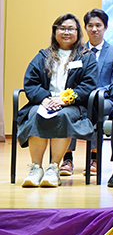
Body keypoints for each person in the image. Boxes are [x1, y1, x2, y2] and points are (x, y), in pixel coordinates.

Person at [19, 14, 98, 188]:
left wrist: (64, 100)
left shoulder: (86, 57)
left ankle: (54, 168)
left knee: (62, 116)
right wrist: (45, 98)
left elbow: (88, 85)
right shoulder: (43, 56)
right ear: (55, 31)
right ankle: (36, 168)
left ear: (78, 32)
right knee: (35, 114)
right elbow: (31, 82)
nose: (66, 32)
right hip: (44, 102)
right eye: (62, 28)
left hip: (72, 105)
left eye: (71, 29)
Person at [69, 8, 113, 188]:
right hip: (81, 96)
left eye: (98, 25)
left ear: (105, 27)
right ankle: (67, 158)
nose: (94, 29)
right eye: (90, 26)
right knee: (70, 110)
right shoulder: (77, 52)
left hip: (106, 98)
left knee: (96, 107)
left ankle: (94, 157)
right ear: (85, 28)